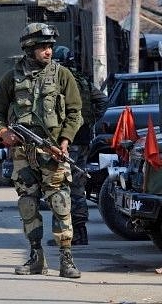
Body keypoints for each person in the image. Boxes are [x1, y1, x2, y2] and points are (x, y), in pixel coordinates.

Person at [0, 23, 83, 279]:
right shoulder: (11, 78)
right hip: (23, 153)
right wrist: (3, 133)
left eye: (50, 47)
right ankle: (35, 258)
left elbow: (75, 113)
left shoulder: (62, 75)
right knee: (28, 205)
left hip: (52, 151)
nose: (48, 51)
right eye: (43, 47)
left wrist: (65, 140)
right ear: (29, 49)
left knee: (60, 203)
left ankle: (66, 259)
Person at [51, 45, 108, 245]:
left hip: (66, 141)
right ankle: (80, 231)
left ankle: (70, 232)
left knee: (63, 185)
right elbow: (102, 100)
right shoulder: (83, 81)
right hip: (83, 139)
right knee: (77, 184)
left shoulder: (59, 81)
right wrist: (89, 121)